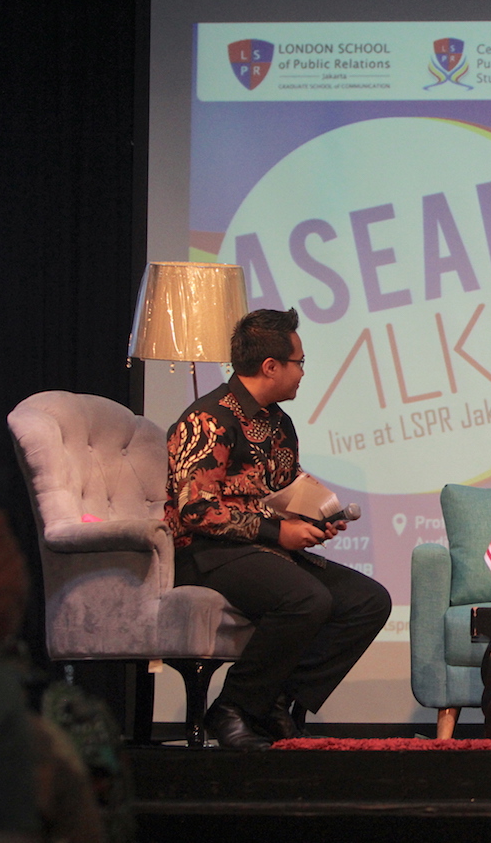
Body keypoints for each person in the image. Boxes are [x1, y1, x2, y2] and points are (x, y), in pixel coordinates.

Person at [164, 308, 391, 751]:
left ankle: (273, 701)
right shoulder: (209, 419)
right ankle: (232, 707)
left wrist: (314, 517)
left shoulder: (278, 422)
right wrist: (277, 534)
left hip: (262, 549)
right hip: (208, 553)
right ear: (271, 366)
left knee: (368, 601)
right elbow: (195, 510)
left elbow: (285, 492)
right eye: (300, 362)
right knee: (306, 598)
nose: (303, 373)